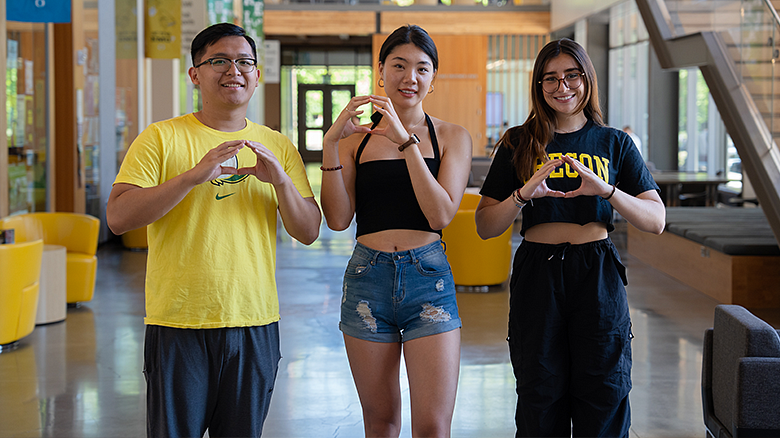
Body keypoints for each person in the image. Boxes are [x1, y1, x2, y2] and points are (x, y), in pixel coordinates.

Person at [106, 23, 321, 438]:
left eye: (244, 62)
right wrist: (192, 176)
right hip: (178, 323)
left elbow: (309, 230)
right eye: (219, 61)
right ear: (195, 74)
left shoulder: (277, 145)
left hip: (255, 321)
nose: (233, 71)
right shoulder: (161, 138)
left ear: (257, 76)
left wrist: (279, 182)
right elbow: (118, 217)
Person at [475, 38, 665, 437]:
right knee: (539, 392)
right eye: (551, 79)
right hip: (538, 272)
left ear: (587, 78)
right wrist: (524, 194)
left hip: (596, 270)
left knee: (605, 390)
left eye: (571, 76)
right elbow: (486, 226)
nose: (562, 87)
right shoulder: (517, 141)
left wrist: (607, 191)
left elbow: (655, 220)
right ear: (539, 86)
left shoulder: (614, 142)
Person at [320, 24, 472, 438]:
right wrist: (331, 144)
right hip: (367, 279)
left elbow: (440, 214)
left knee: (432, 427)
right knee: (381, 422)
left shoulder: (452, 138)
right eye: (399, 66)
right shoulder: (356, 142)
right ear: (381, 71)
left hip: (428, 280)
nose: (410, 78)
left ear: (433, 78)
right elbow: (336, 219)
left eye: (422, 68)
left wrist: (407, 143)